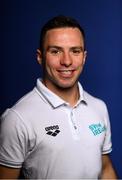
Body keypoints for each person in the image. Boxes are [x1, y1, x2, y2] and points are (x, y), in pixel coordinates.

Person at [0, 15, 117, 179]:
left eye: (75, 51)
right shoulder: (17, 119)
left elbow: (105, 168)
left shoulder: (99, 107)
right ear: (40, 57)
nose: (67, 61)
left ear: (84, 56)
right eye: (55, 51)